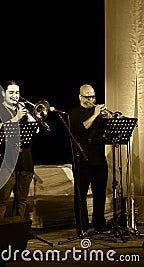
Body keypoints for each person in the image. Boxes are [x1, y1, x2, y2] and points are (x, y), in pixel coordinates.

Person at [0, 80, 36, 219]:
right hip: (5, 161)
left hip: (25, 161)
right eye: (11, 92)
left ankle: (18, 231)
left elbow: (36, 129)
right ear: (4, 93)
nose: (15, 95)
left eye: (17, 92)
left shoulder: (22, 111)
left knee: (21, 200)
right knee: (2, 200)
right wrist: (16, 118)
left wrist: (28, 115)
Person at [68, 84, 109, 237]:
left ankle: (99, 224)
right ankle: (82, 227)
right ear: (80, 96)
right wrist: (95, 115)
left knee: (100, 195)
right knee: (81, 196)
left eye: (93, 96)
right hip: (82, 161)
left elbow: (107, 133)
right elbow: (80, 129)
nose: (91, 100)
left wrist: (108, 119)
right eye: (88, 97)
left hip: (99, 160)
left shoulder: (99, 113)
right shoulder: (73, 113)